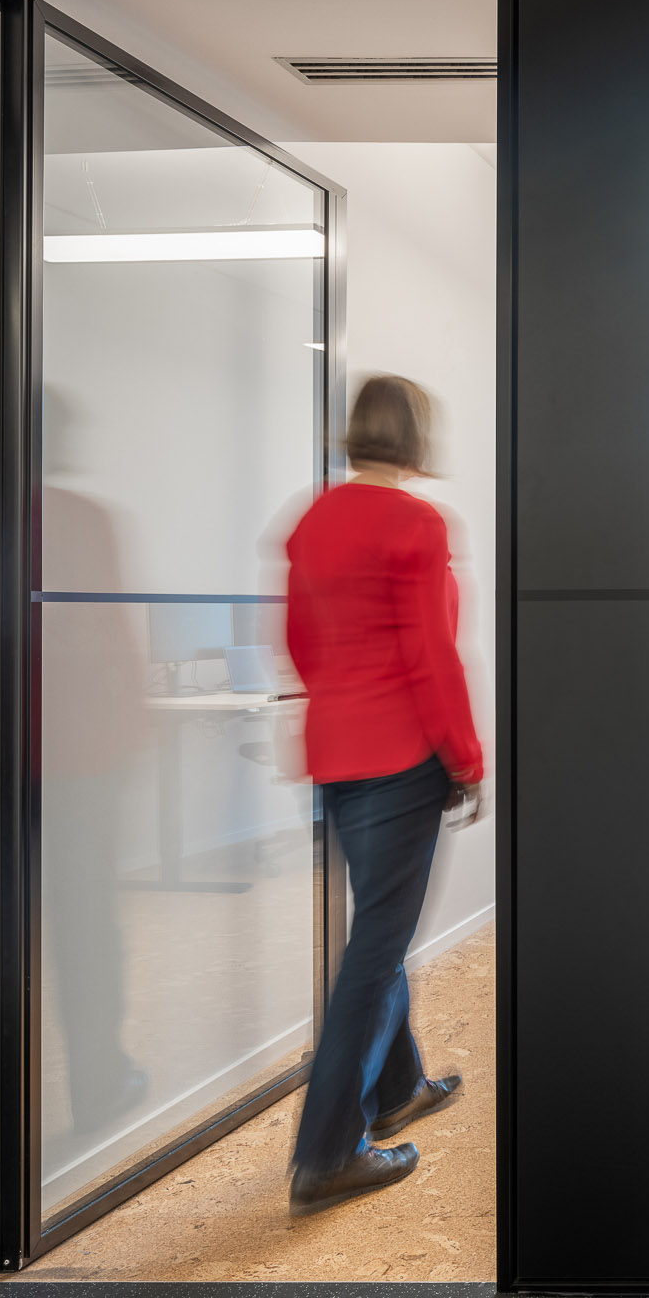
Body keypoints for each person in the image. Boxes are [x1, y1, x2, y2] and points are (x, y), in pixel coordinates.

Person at [283, 373, 484, 1216]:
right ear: (413, 436)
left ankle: (397, 1086)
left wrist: (342, 705)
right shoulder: (415, 520)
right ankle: (327, 1151)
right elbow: (431, 653)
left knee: (378, 931)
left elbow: (299, 641)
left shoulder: (314, 519)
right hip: (402, 758)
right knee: (373, 953)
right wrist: (466, 756)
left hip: (335, 757)